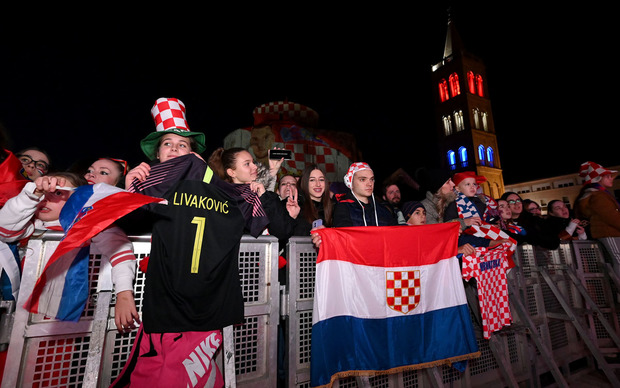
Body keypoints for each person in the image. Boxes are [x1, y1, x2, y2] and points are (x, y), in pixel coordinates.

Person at [113, 141, 270, 387]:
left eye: (182, 145)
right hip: (172, 308)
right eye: (167, 143)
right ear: (157, 154)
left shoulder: (231, 192)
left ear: (194, 154)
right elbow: (125, 225)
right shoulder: (156, 184)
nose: (175, 150)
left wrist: (259, 193)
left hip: (203, 309)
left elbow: (272, 230)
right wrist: (131, 188)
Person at [0, 172, 139, 330]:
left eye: (59, 192)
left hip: (65, 321)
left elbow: (121, 251)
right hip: (19, 314)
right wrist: (32, 194)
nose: (47, 198)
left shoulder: (90, 226)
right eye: (44, 191)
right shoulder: (30, 224)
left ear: (79, 200)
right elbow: (3, 229)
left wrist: (124, 295)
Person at [574, 161, 620, 278]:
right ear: (598, 178)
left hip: (612, 232)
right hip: (609, 232)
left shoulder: (599, 194)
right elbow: (611, 216)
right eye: (608, 176)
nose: (611, 179)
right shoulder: (598, 196)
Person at [331, 162, 396, 228]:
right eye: (362, 179)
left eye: (371, 179)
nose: (369, 184)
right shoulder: (343, 208)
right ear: (350, 182)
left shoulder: (383, 210)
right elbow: (345, 235)